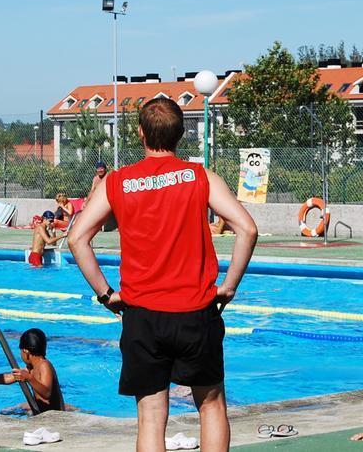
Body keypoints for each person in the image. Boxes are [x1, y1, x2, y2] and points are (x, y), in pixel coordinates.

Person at [68, 96, 259, 452]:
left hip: (142, 315)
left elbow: (77, 238)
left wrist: (106, 294)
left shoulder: (117, 182)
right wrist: (229, 287)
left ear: (140, 133)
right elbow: (247, 229)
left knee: (151, 418)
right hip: (195, 311)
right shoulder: (200, 177)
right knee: (211, 406)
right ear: (181, 134)